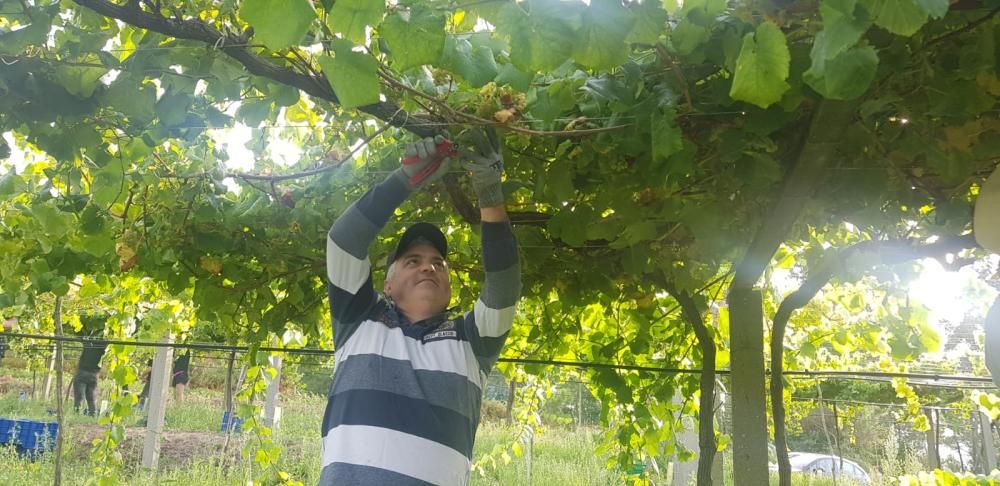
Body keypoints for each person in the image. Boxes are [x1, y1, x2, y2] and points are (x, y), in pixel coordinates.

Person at [320, 129, 521, 485]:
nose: (429, 266)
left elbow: (503, 286)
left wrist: (490, 195)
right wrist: (406, 178)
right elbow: (343, 240)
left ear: (448, 283)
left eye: (438, 263)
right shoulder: (358, 320)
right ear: (387, 283)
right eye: (412, 261)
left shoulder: (472, 341)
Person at [74, 333, 107, 416]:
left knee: (79, 397)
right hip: (93, 375)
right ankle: (93, 415)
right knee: (91, 398)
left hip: (82, 372)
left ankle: (77, 414)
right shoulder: (101, 350)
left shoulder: (88, 345)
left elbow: (81, 338)